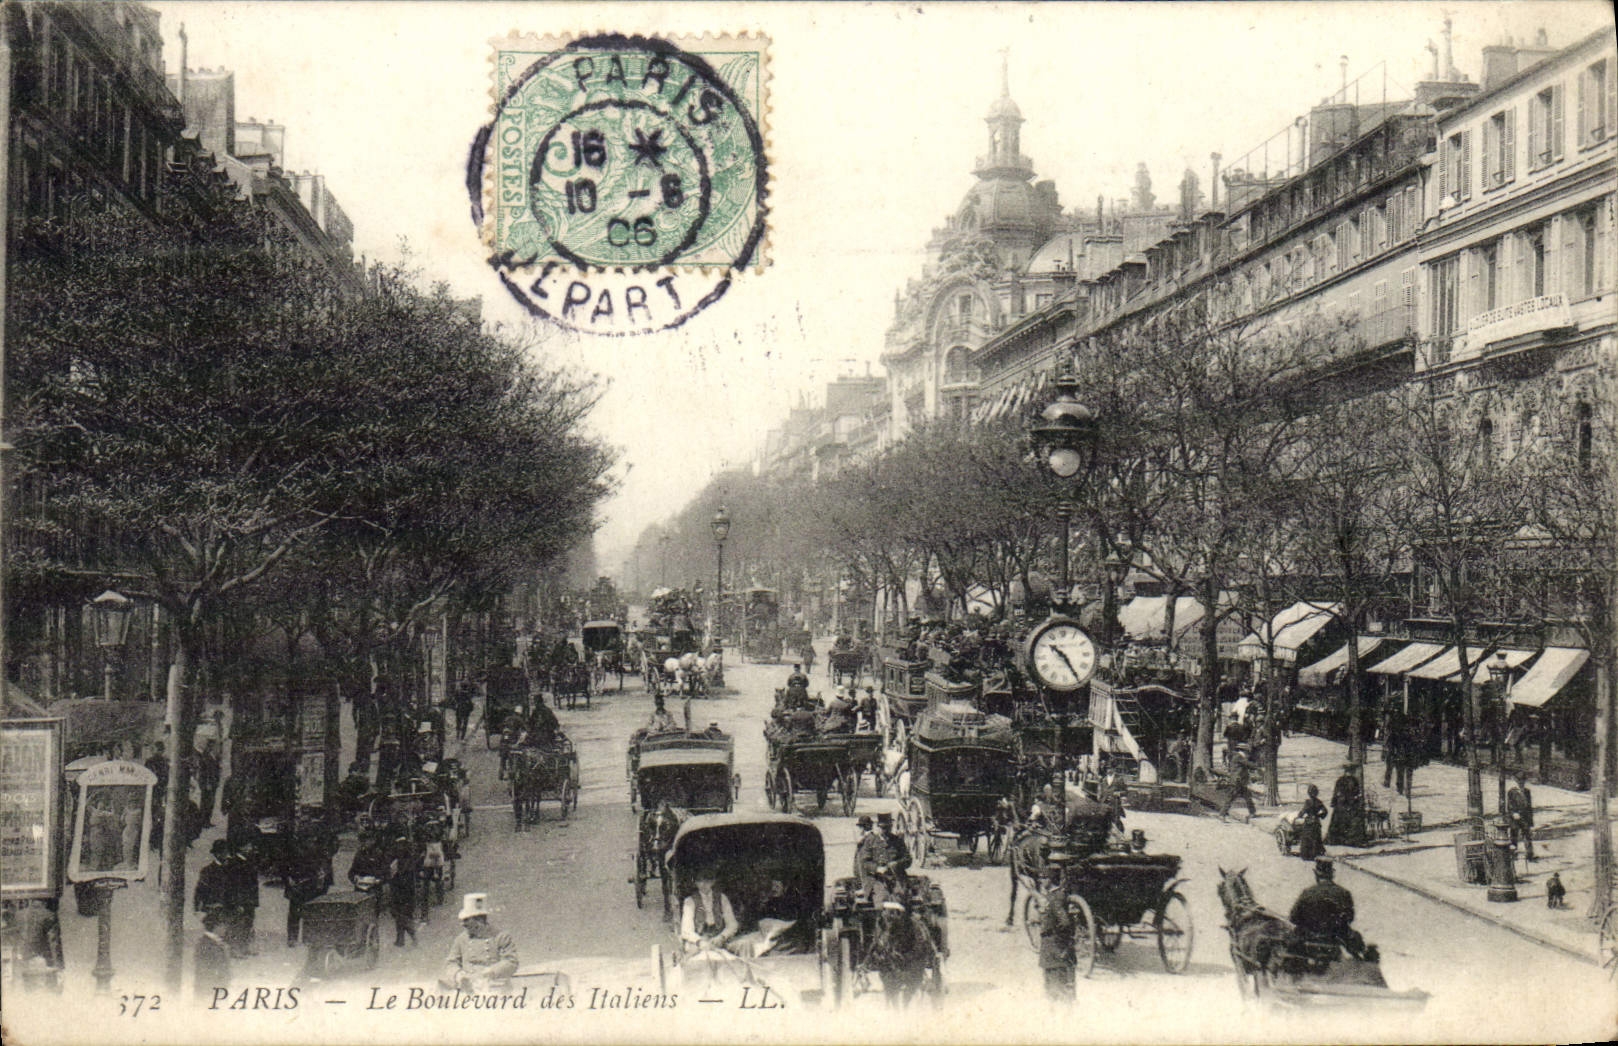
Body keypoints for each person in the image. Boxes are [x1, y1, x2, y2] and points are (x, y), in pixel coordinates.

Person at [1288, 858, 1371, 963]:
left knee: (1290, 944)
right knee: (1357, 942)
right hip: (1336, 936)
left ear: (1316, 873)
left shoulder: (1307, 893)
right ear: (1332, 873)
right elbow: (1350, 917)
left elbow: (1294, 918)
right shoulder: (1344, 893)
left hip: (1310, 935)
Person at [439, 893, 519, 991]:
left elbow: (511, 962)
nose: (463, 924)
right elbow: (451, 963)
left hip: (495, 987)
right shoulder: (461, 939)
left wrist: (491, 971)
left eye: (466, 920)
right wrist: (458, 974)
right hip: (468, 989)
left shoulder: (501, 937)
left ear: (479, 920)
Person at [1037, 858, 1075, 1002]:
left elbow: (1064, 922)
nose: (1041, 881)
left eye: (1043, 878)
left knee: (1056, 989)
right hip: (1051, 948)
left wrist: (1058, 941)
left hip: (1054, 949)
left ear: (1050, 879)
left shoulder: (1055, 898)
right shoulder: (1055, 896)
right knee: (1053, 987)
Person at [856, 812, 912, 904]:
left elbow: (908, 859)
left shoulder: (897, 840)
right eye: (883, 828)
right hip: (877, 879)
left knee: (901, 899)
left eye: (888, 828)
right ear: (878, 827)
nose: (885, 831)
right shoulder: (870, 841)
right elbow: (865, 862)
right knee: (881, 900)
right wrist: (877, 869)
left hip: (896, 877)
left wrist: (897, 864)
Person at [12, 899, 64, 992]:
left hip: (25, 958)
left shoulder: (19, 915)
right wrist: (59, 966)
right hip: (43, 960)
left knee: (29, 989)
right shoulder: (50, 915)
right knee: (48, 991)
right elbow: (54, 941)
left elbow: (16, 939)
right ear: (45, 902)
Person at [680, 874, 740, 954]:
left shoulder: (722, 898)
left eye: (707, 881)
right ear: (696, 883)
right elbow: (686, 929)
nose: (703, 884)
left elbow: (732, 924)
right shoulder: (690, 901)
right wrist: (699, 941)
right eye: (700, 881)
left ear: (713, 882)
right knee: (695, 956)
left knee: (741, 947)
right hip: (700, 940)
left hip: (720, 939)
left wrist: (722, 937)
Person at [388, 832, 421, 947]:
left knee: (403, 915)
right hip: (396, 888)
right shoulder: (393, 856)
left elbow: (407, 873)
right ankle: (401, 938)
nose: (400, 847)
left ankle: (410, 937)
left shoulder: (409, 858)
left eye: (402, 845)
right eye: (398, 845)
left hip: (406, 890)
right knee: (397, 913)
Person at [193, 908, 232, 1002]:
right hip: (209, 990)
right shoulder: (206, 944)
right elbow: (206, 970)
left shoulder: (211, 942)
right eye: (224, 925)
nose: (225, 929)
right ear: (216, 926)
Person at [1326, 762, 1368, 847]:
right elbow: (1356, 793)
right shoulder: (1354, 780)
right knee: (1351, 821)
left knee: (1339, 822)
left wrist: (1334, 802)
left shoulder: (1340, 780)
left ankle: (1338, 840)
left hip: (1341, 805)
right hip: (1349, 805)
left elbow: (1336, 793)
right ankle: (1350, 840)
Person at [1220, 749, 1256, 824]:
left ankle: (1252, 812)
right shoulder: (1239, 757)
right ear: (1243, 751)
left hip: (1239, 782)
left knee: (1247, 796)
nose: (1247, 754)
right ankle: (1222, 814)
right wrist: (1256, 766)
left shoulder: (1236, 756)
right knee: (1230, 798)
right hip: (1237, 782)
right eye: (1247, 752)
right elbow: (1249, 765)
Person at [1506, 771, 1536, 861]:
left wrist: (1531, 820)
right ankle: (1513, 855)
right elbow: (1510, 805)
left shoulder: (1527, 791)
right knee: (1514, 836)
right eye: (1519, 781)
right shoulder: (1512, 792)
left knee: (1527, 835)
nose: (1521, 783)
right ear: (1516, 781)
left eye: (1523, 781)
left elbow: (1529, 806)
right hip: (1515, 817)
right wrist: (1514, 813)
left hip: (1525, 817)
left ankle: (1529, 855)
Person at [1295, 783, 1328, 862]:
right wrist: (1320, 816)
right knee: (1316, 837)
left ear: (1308, 793)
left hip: (1309, 822)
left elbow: (1303, 812)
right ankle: (1317, 853)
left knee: (1307, 838)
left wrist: (1299, 816)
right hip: (1316, 821)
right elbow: (1325, 811)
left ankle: (1307, 855)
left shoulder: (1308, 802)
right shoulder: (1319, 802)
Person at [197, 739, 222, 827]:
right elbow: (205, 771)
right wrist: (207, 783)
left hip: (212, 783)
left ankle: (206, 821)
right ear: (209, 746)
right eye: (213, 745)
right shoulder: (205, 756)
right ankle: (203, 821)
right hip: (208, 783)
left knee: (210, 803)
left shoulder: (212, 755)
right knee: (206, 803)